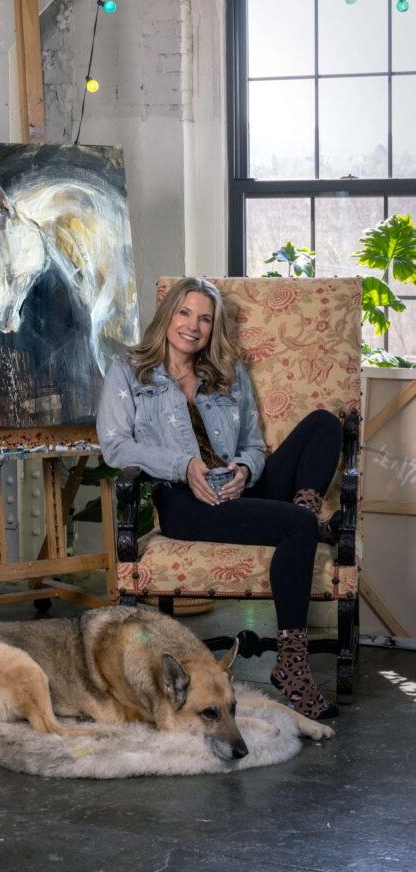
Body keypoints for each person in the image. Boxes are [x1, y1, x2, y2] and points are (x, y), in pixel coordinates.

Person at [97, 276, 343, 721]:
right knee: (299, 527)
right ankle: (291, 665)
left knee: (325, 424)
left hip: (236, 487)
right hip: (185, 501)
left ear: (214, 327)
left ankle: (302, 516)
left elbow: (251, 444)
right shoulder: (129, 371)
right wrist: (180, 465)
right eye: (185, 313)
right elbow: (115, 446)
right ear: (168, 315)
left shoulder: (227, 373)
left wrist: (245, 469)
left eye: (205, 319)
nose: (193, 326)